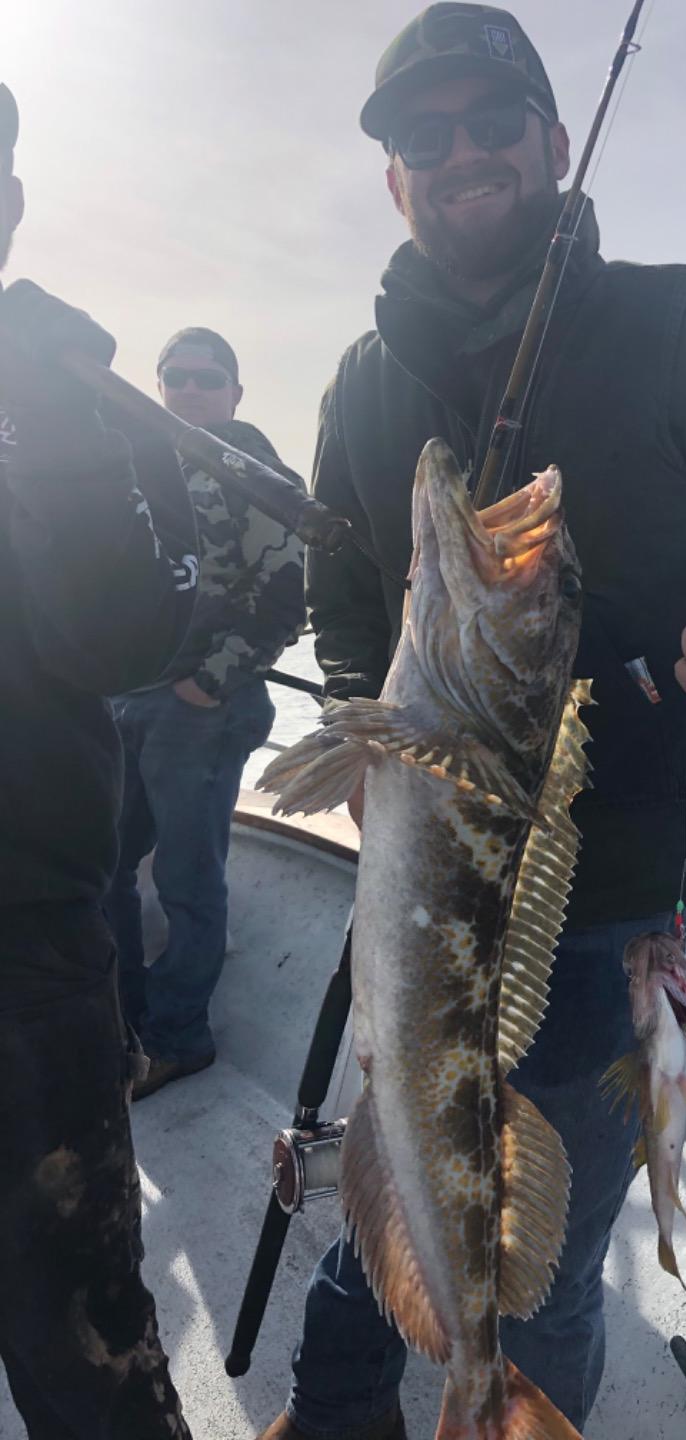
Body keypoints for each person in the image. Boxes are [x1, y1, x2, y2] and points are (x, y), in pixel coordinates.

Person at [258, 7, 686, 1438]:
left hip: (614, 900)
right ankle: (339, 1413)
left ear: (551, 138)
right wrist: (365, 745)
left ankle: (505, 1399)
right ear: (397, 178)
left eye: (491, 121)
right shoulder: (363, 383)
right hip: (422, 871)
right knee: (395, 1165)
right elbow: (341, 585)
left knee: (542, 1261)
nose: (462, 151)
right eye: (428, 135)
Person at [0, 81, 195, 1439]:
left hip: (33, 940)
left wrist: (66, 433)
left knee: (90, 1345)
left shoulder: (57, 401)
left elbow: (131, 629)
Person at [106, 326, 307, 1100]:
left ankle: (178, 1037)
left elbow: (287, 594)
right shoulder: (145, 466)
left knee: (190, 879)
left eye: (206, 378)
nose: (189, 391)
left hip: (201, 710)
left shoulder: (259, 474)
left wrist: (210, 682)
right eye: (175, 378)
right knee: (104, 863)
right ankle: (123, 1019)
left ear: (234, 392)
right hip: (128, 696)